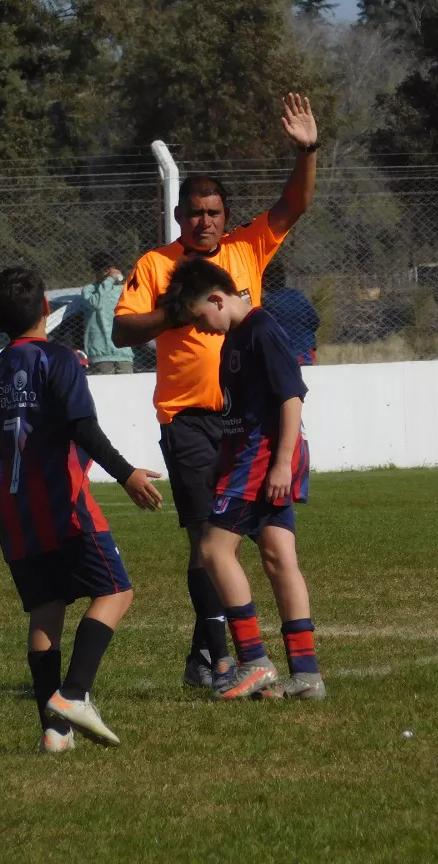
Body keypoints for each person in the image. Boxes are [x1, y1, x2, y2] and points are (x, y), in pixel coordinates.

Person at [113, 93, 320, 690]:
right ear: (179, 216)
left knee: (244, 546)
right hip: (189, 420)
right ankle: (219, 656)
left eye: (214, 212)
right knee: (207, 540)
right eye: (194, 213)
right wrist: (175, 312)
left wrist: (307, 150)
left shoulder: (247, 249)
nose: (204, 221)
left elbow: (294, 203)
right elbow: (124, 331)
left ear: (227, 217)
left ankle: (244, 660)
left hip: (251, 428)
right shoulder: (157, 265)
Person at [0, 267, 164, 753]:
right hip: (65, 507)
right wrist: (127, 474)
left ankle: (54, 733)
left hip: (16, 517)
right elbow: (83, 428)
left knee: (45, 610)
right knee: (116, 591)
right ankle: (74, 694)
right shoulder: (58, 359)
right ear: (45, 309)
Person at [163, 257, 323, 701]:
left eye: (199, 318)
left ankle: (254, 661)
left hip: (262, 458)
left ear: (217, 299)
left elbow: (291, 397)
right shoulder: (235, 337)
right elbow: (240, 412)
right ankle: (307, 675)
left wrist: (282, 462)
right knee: (278, 556)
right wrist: (221, 462)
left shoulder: (261, 329)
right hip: (246, 457)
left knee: (213, 550)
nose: (200, 328)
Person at [82, 253, 135, 374]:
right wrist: (109, 280)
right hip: (101, 353)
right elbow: (96, 303)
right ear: (96, 271)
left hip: (123, 353)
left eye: (110, 269)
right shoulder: (89, 290)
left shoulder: (122, 290)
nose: (108, 272)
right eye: (105, 269)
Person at [261, 258, 321, 365]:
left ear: (266, 281)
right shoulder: (298, 295)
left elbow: (266, 331)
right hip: (305, 351)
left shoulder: (267, 302)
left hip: (282, 353)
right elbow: (315, 322)